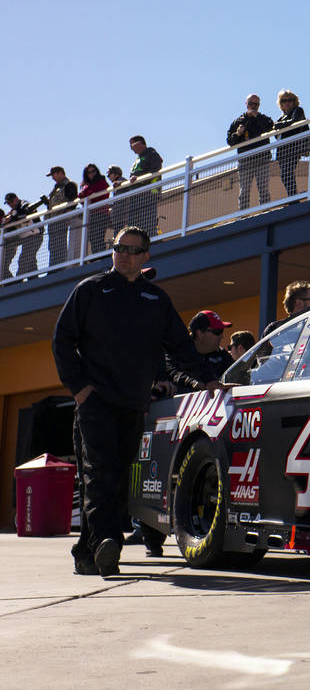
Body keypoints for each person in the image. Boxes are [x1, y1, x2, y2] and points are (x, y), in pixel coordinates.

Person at [52, 226, 215, 576]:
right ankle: (110, 537)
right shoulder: (90, 290)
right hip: (95, 400)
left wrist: (208, 378)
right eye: (118, 248)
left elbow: (181, 347)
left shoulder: (156, 300)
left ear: (146, 257)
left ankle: (87, 551)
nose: (124, 254)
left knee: (118, 475)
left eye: (132, 250)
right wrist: (79, 388)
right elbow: (62, 341)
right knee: (100, 471)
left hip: (133, 403)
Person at [165, 310, 235, 394]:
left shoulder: (221, 354)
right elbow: (172, 372)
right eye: (217, 332)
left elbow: (236, 374)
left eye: (222, 331)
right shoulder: (177, 350)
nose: (221, 336)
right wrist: (194, 383)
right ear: (199, 333)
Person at [227, 94, 274, 210]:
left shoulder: (263, 118)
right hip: (245, 161)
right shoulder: (238, 121)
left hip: (262, 159)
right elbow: (230, 142)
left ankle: (266, 212)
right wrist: (237, 134)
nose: (253, 106)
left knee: (264, 189)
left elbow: (271, 127)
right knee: (244, 192)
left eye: (256, 104)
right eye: (250, 104)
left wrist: (257, 116)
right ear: (246, 104)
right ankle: (243, 215)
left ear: (259, 105)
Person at [3, 192, 46, 280]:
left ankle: (18, 282)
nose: (10, 204)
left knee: (24, 259)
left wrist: (12, 217)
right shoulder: (13, 212)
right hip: (26, 238)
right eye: (8, 203)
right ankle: (34, 280)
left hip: (34, 236)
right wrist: (8, 219)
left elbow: (25, 211)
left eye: (11, 201)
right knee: (31, 261)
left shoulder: (23, 205)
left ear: (16, 199)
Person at [274, 89, 308, 197]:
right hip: (283, 151)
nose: (287, 103)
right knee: (285, 175)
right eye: (284, 101)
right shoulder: (281, 117)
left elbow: (295, 122)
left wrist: (278, 125)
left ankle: (293, 198)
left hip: (293, 148)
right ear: (281, 104)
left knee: (287, 174)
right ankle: (292, 197)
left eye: (290, 100)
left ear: (294, 101)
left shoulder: (298, 110)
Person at [128, 136, 164, 236]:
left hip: (149, 192)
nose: (131, 148)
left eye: (132, 144)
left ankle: (150, 240)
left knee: (148, 220)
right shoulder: (138, 159)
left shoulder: (151, 154)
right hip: (136, 194)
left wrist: (138, 177)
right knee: (134, 222)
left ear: (139, 143)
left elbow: (155, 168)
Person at [45, 166, 78, 267]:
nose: (53, 178)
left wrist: (66, 213)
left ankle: (60, 266)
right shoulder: (55, 188)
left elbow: (73, 200)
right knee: (52, 246)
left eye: (54, 174)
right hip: (53, 219)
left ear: (60, 173)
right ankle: (53, 267)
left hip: (61, 219)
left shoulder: (69, 184)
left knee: (60, 244)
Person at [79, 164, 110, 255]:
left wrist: (88, 194)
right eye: (89, 172)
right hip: (91, 215)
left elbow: (99, 193)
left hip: (101, 213)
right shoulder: (87, 186)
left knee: (98, 237)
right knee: (92, 238)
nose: (92, 174)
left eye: (93, 171)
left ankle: (102, 257)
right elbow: (81, 197)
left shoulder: (102, 182)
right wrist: (89, 194)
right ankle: (97, 257)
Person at [106, 165, 130, 233]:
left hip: (122, 216)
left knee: (119, 236)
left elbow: (126, 183)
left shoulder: (120, 180)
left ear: (116, 174)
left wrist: (119, 183)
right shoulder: (115, 185)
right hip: (119, 217)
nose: (108, 177)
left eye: (109, 174)